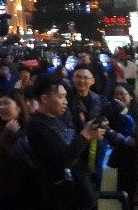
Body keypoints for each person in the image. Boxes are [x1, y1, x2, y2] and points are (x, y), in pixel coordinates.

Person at [26, 74, 105, 210]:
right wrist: (86, 134)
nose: (65, 101)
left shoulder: (61, 118)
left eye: (65, 96)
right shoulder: (37, 125)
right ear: (44, 98)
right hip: (57, 196)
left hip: (75, 191)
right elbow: (60, 161)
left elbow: (74, 149)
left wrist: (91, 135)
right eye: (60, 97)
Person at [0, 90, 37, 210]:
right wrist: (7, 134)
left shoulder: (31, 125)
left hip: (32, 186)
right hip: (7, 190)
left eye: (6, 103)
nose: (1, 107)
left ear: (19, 107)